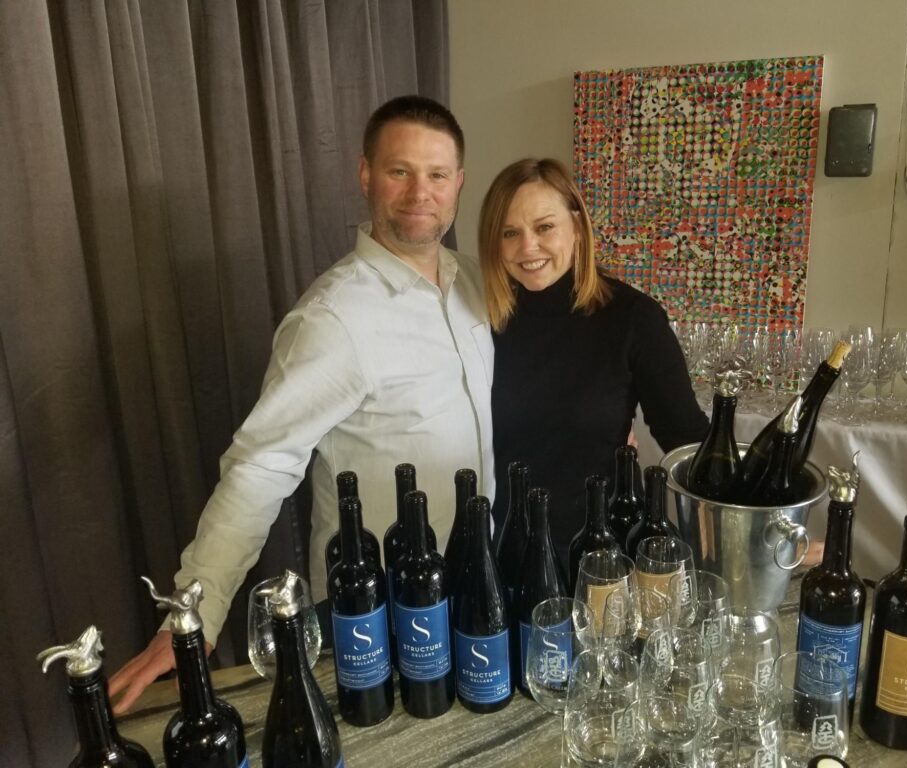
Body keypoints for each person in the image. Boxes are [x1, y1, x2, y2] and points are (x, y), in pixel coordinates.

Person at [109, 96, 494, 712]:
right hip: (375, 608)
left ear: (459, 184)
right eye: (400, 171)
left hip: (473, 583)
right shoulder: (333, 319)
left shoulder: (475, 283)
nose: (420, 191)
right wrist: (197, 614)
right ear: (366, 175)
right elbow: (261, 466)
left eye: (437, 174)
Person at [479, 158, 708, 571]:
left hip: (602, 553)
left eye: (544, 227)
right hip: (503, 552)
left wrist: (762, 523)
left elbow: (689, 442)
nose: (527, 247)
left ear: (577, 227)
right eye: (509, 233)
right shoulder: (479, 320)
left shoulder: (633, 318)